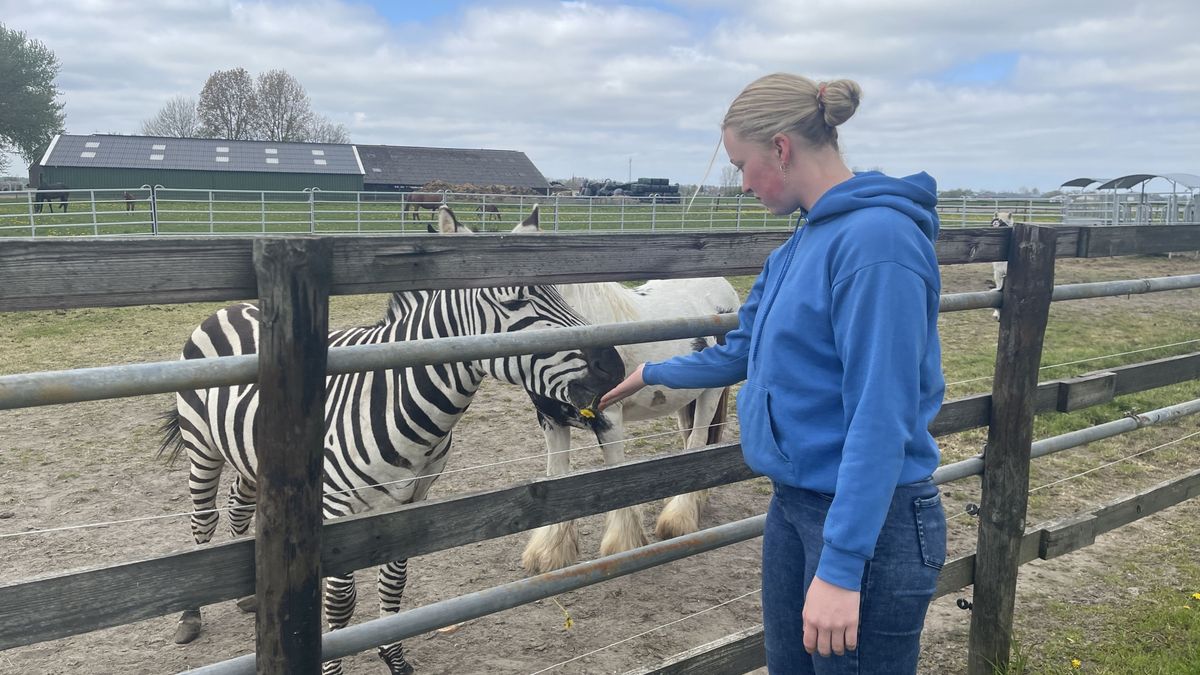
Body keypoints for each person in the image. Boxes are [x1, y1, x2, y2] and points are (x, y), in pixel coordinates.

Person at [598, 73, 946, 674]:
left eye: (742, 164)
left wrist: (841, 566)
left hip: (867, 519)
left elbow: (881, 416)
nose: (742, 183)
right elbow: (745, 349)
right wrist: (655, 370)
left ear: (781, 149)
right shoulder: (799, 245)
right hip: (795, 504)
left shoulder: (877, 245)